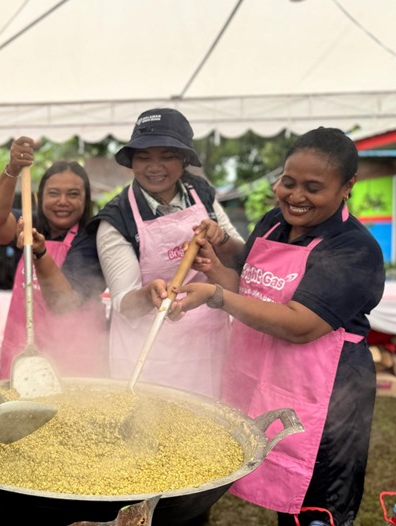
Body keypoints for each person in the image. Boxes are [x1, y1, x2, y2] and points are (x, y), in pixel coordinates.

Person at [174, 127, 385, 526]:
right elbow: (251, 290)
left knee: (314, 509)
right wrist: (214, 268)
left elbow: (301, 325)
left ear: (347, 186)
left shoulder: (354, 248)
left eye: (313, 187)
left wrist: (216, 297)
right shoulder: (273, 223)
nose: (295, 196)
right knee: (279, 494)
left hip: (327, 400)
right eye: (288, 182)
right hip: (266, 379)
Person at [41, 108, 245, 399]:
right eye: (144, 157)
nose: (154, 167)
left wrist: (221, 238)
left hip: (208, 346)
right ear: (132, 161)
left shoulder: (201, 193)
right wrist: (148, 294)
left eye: (167, 156)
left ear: (184, 159)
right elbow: (126, 302)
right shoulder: (117, 217)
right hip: (149, 355)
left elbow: (242, 259)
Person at [0, 142, 108, 379]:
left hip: (75, 361)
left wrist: (40, 254)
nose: (63, 201)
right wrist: (13, 168)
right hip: (24, 351)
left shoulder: (92, 237)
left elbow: (64, 302)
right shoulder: (28, 223)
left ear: (86, 200)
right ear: (39, 198)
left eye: (73, 194)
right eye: (53, 193)